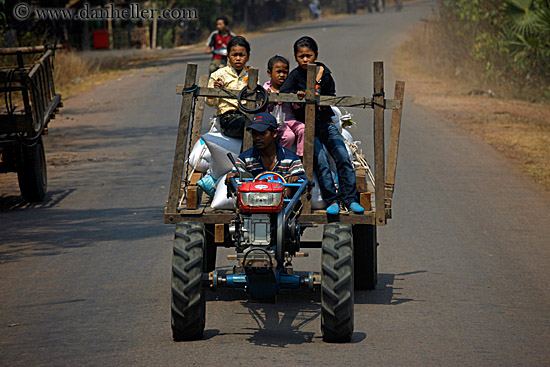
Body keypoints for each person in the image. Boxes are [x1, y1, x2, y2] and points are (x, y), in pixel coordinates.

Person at [280, 36, 364, 215]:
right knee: (321, 162)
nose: (305, 59)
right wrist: (297, 94)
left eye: (308, 56)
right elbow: (284, 92)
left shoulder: (324, 73)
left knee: (342, 155)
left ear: (316, 55)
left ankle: (350, 199)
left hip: (325, 123)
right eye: (301, 56)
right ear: (296, 57)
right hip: (306, 126)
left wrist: (319, 98)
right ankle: (331, 200)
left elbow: (331, 95)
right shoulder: (295, 75)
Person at [226, 113, 306, 185]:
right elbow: (236, 179)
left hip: (284, 201)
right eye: (254, 134)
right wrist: (235, 175)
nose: (257, 138)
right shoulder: (245, 159)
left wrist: (296, 178)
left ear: (274, 133)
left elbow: (302, 182)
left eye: (262, 133)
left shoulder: (291, 158)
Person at [206, 36, 251, 139]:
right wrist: (215, 91)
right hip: (228, 117)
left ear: (248, 57)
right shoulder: (218, 75)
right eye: (234, 55)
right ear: (228, 57)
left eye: (241, 55)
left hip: (247, 115)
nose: (238, 58)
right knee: (246, 124)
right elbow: (210, 103)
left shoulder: (252, 75)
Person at [263, 55, 305, 157]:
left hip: (290, 120)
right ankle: (282, 157)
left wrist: (297, 99)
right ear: (269, 73)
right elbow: (261, 108)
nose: (282, 75)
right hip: (275, 121)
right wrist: (269, 100)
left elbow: (296, 107)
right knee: (288, 136)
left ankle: (301, 155)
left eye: (285, 72)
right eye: (278, 72)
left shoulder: (290, 87)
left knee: (303, 128)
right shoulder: (266, 88)